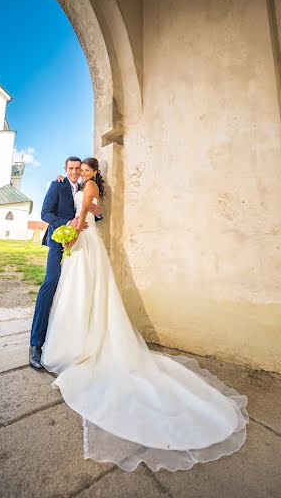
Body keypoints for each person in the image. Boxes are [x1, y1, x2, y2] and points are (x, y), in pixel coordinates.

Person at [40, 157, 249, 473]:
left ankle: (82, 341)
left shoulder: (89, 185)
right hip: (82, 239)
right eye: (77, 169)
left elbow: (86, 214)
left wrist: (75, 233)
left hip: (84, 239)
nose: (80, 173)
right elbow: (87, 210)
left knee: (85, 289)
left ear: (94, 172)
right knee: (79, 290)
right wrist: (79, 223)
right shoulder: (68, 185)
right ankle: (79, 334)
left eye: (84, 169)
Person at [29, 157, 103, 369]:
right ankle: (35, 344)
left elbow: (92, 211)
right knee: (51, 283)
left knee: (75, 289)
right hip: (58, 241)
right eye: (70, 168)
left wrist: (97, 213)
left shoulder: (84, 186)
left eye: (78, 169)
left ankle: (70, 338)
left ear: (82, 171)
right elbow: (45, 213)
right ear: (65, 169)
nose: (74, 171)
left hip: (80, 242)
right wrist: (67, 225)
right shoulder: (57, 184)